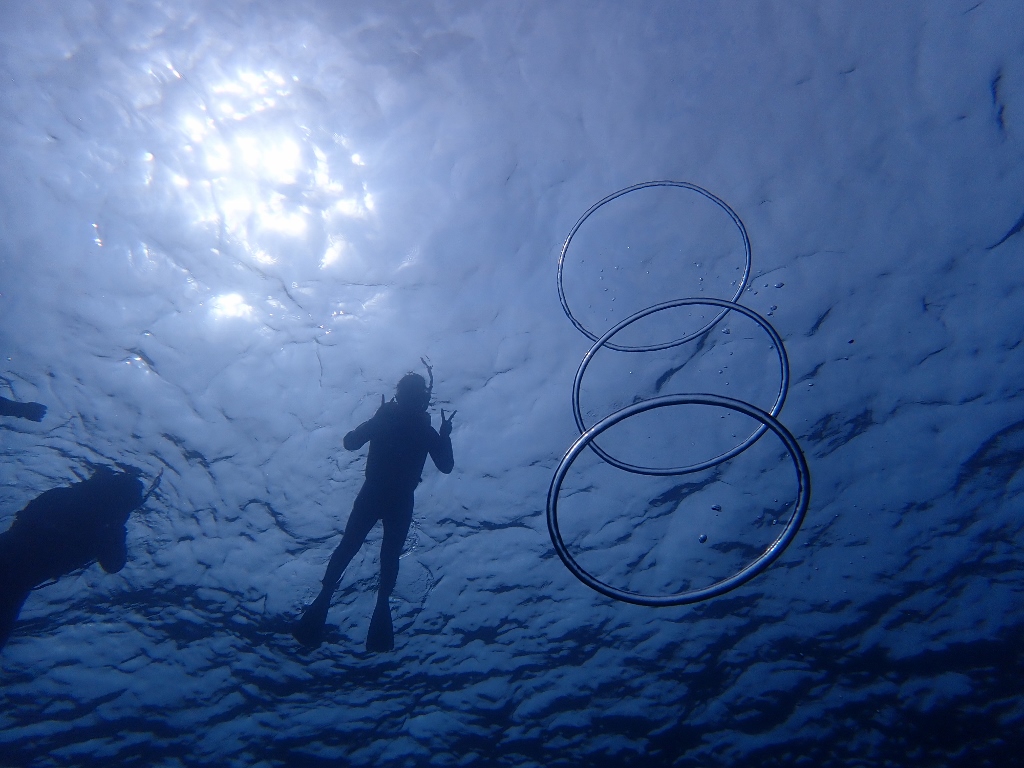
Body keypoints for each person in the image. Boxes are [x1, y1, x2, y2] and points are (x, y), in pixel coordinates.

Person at [293, 371, 455, 652]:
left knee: (353, 547)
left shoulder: (391, 421)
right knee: (382, 554)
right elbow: (446, 466)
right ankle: (373, 601)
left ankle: (330, 595)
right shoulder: (415, 428)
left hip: (377, 494)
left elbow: (350, 442)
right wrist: (443, 435)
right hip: (397, 499)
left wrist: (379, 422)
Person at [0, 467, 144, 651]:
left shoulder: (96, 519)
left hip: (16, 573)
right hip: (17, 574)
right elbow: (114, 564)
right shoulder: (100, 523)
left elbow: (114, 564)